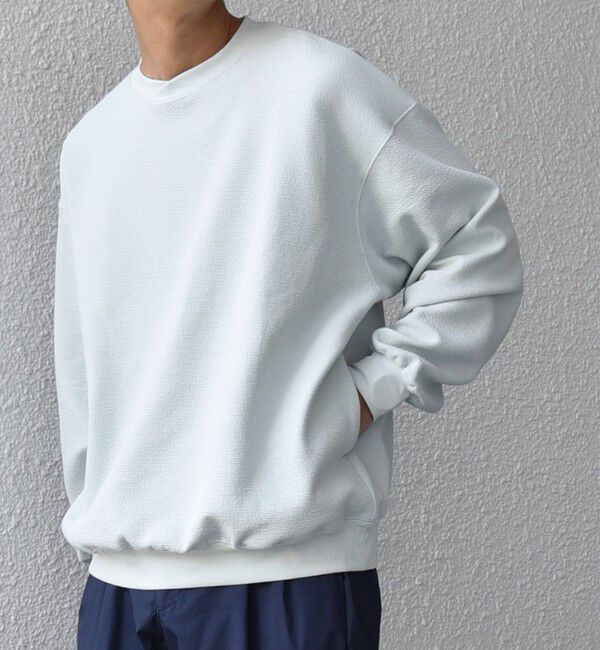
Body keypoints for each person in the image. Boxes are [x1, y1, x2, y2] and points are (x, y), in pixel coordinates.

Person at [53, 1, 523, 648]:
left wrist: (370, 390)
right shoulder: (92, 144)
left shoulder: (320, 90)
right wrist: (97, 517)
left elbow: (477, 247)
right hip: (118, 587)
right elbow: (81, 365)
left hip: (289, 581)